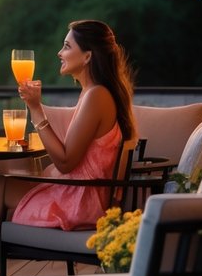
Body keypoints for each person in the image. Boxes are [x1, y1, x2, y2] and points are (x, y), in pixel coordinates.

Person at [10, 20, 136, 230]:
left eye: (67, 46)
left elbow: (66, 162)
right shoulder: (93, 93)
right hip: (80, 193)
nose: (60, 53)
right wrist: (35, 105)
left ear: (88, 56)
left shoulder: (96, 95)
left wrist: (35, 110)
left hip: (81, 200)